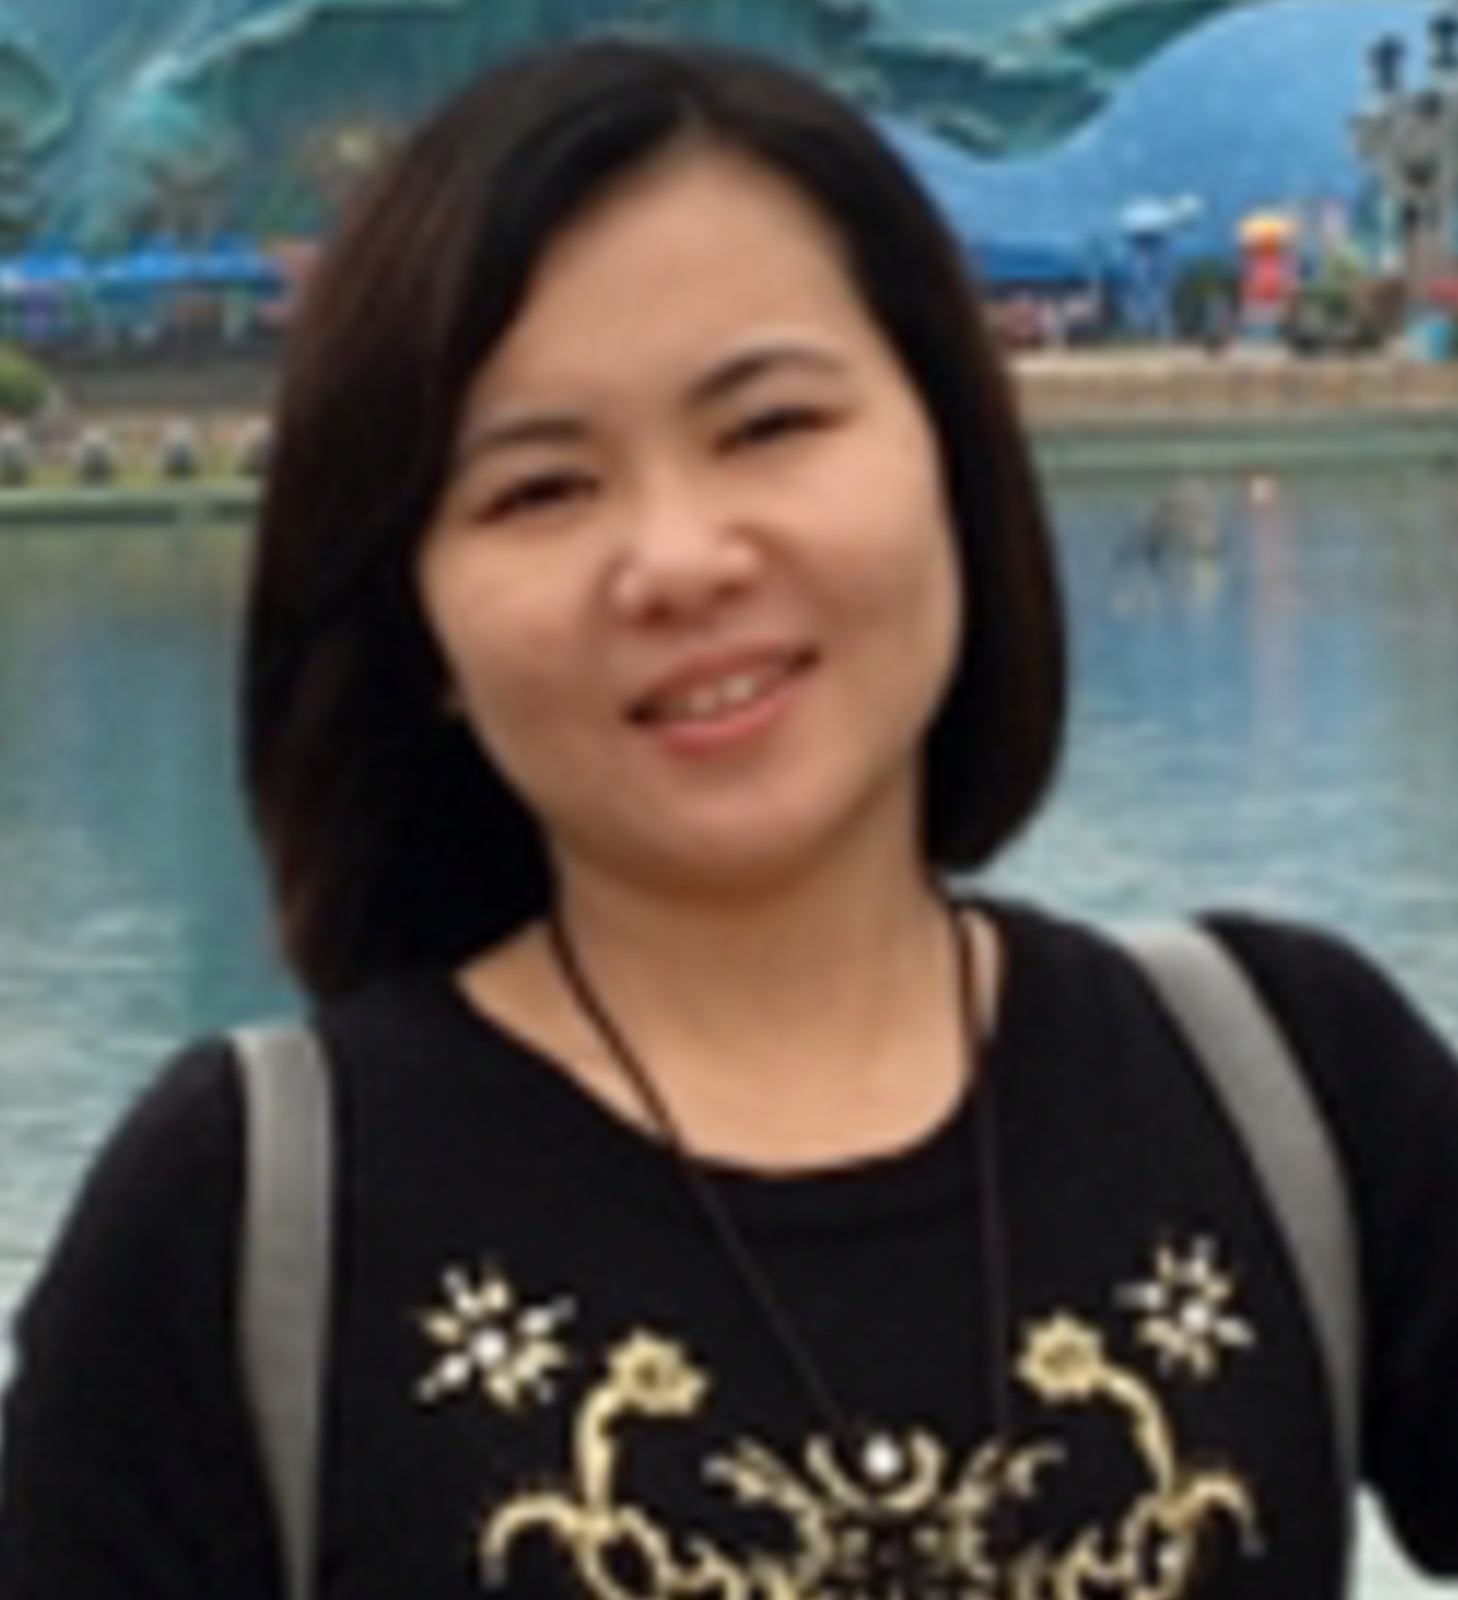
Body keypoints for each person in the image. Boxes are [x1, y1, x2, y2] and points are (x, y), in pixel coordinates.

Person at [2, 38, 1457, 1600]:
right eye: (538, 489)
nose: (680, 561)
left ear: (950, 451)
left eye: (768, 425)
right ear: (415, 618)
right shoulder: (249, 1223)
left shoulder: (1282, 1086)